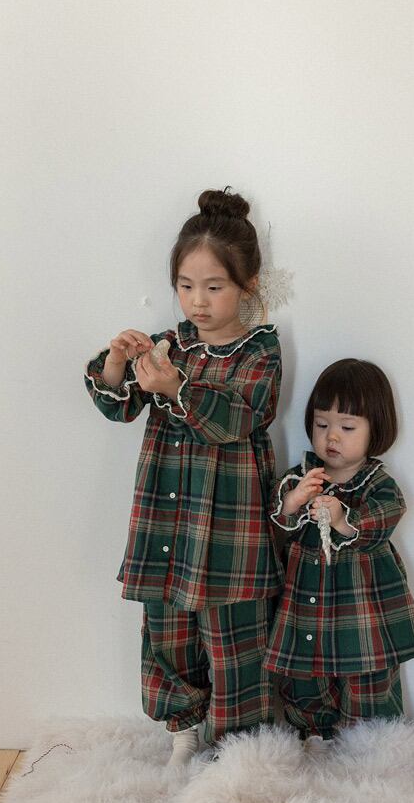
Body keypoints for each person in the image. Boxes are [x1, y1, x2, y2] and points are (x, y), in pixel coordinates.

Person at [84, 188, 284, 764]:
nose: (198, 300)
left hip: (231, 523)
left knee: (233, 633)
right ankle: (183, 731)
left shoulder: (260, 351)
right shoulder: (170, 346)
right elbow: (119, 406)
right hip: (168, 515)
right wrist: (119, 361)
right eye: (186, 285)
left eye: (214, 286)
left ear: (247, 285)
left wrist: (175, 388)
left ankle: (237, 746)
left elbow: (239, 418)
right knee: (167, 626)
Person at [264, 358, 414, 755]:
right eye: (322, 424)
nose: (332, 436)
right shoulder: (303, 476)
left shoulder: (377, 483)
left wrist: (341, 518)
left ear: (376, 430)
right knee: (304, 672)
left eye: (347, 427)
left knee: (367, 674)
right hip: (305, 602)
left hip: (361, 605)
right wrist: (294, 501)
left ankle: (371, 743)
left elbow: (384, 518)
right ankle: (314, 733)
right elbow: (276, 522)